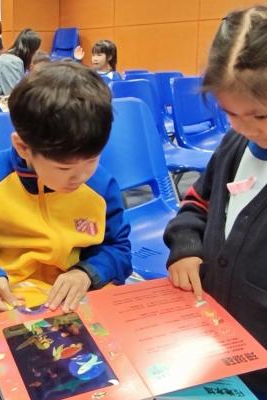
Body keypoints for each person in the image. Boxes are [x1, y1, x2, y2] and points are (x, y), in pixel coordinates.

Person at [0, 61, 132, 322]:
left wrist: (87, 272)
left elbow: (118, 248)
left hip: (80, 295)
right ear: (23, 147)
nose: (81, 177)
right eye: (64, 168)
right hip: (8, 297)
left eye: (92, 160)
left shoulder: (101, 185)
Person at [163, 6, 267, 395]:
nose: (244, 127)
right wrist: (186, 247)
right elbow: (196, 203)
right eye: (230, 113)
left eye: (260, 116)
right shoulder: (234, 145)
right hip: (215, 347)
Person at [0, 28, 41, 97]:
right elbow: (14, 96)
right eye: (35, 51)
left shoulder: (11, 59)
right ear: (31, 51)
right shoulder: (12, 62)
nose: (36, 54)